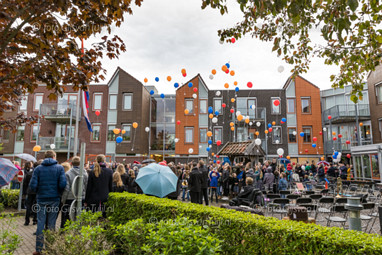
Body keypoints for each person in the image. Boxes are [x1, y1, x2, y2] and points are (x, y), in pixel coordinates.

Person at [29, 150, 66, 255]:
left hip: (41, 198)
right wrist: (58, 192)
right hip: (54, 198)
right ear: (54, 156)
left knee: (40, 222)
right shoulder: (60, 168)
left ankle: (38, 249)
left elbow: (33, 185)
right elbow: (63, 184)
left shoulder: (38, 169)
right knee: (51, 223)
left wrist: (38, 192)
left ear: (45, 157)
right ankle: (50, 247)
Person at [61, 156, 88, 229]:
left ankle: (65, 233)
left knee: (67, 217)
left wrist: (63, 200)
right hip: (81, 197)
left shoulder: (68, 173)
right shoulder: (85, 173)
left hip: (70, 197)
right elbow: (86, 186)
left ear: (71, 163)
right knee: (79, 216)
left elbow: (66, 188)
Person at [23, 162, 37, 226]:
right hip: (36, 192)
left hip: (30, 191)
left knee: (28, 206)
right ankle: (34, 220)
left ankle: (27, 221)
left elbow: (25, 183)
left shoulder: (29, 174)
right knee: (35, 206)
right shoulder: (39, 174)